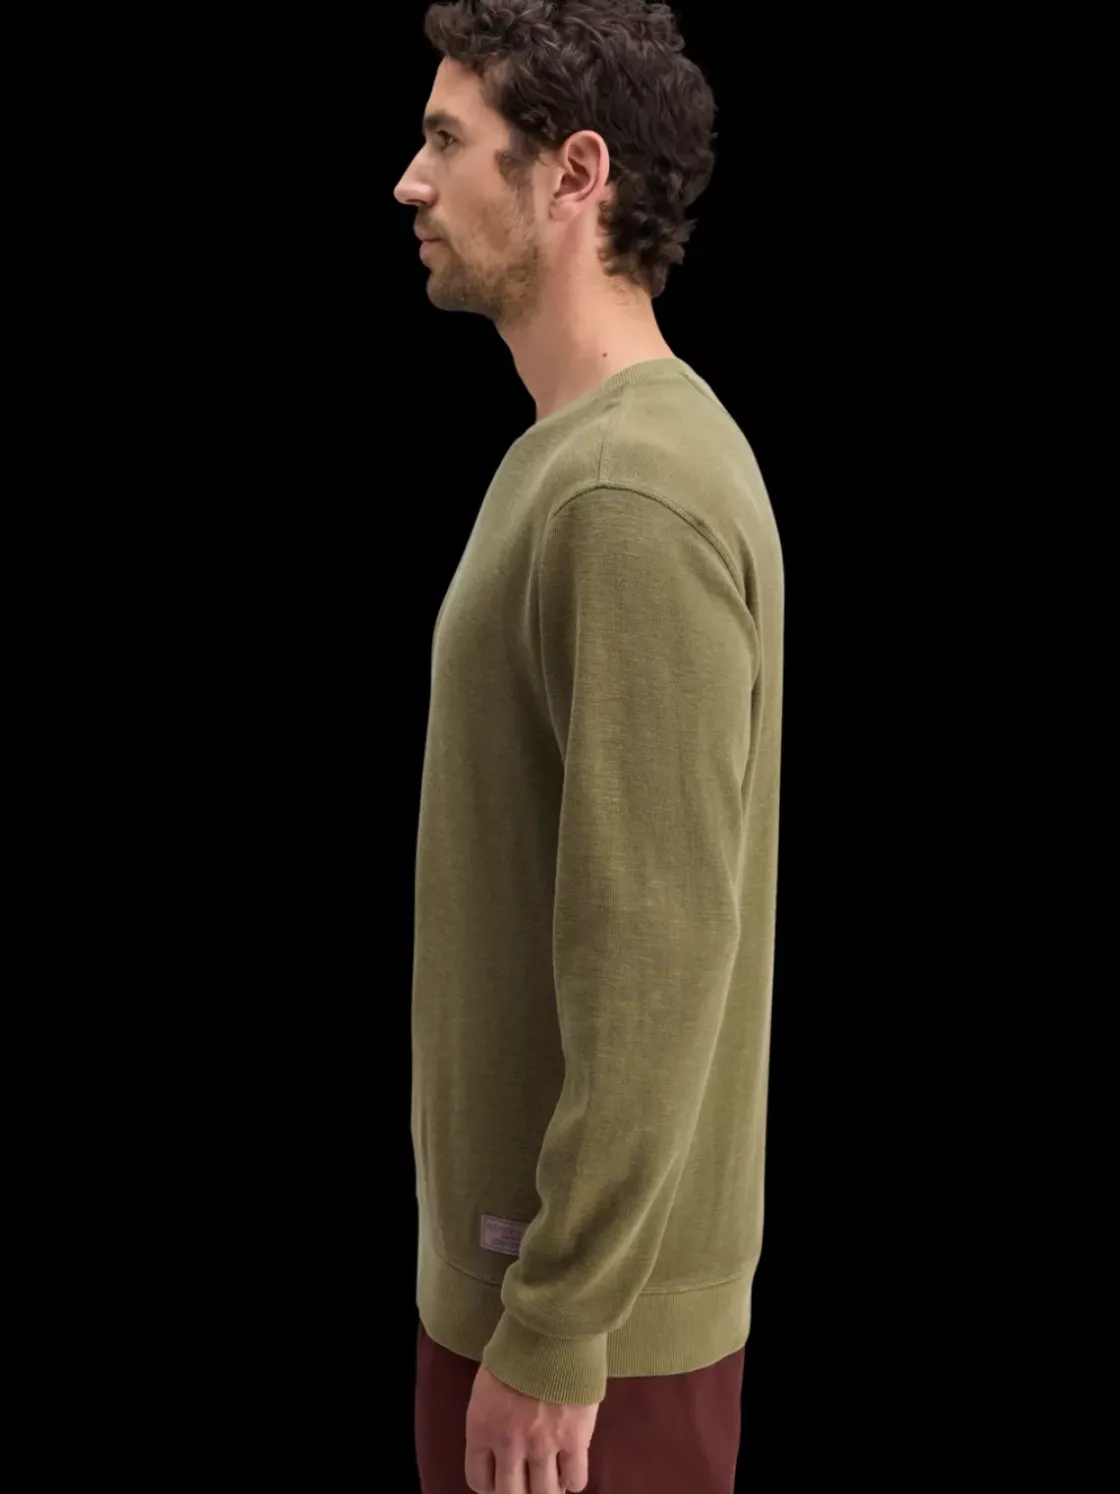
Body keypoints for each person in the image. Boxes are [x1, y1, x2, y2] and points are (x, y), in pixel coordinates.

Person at [393, 4, 784, 1490]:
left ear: (575, 174)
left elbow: (655, 953)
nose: (411, 181)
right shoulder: (575, 458)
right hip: (543, 1303)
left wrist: (555, 1321)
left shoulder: (628, 497)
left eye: (447, 139)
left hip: (582, 1348)